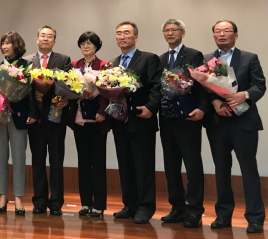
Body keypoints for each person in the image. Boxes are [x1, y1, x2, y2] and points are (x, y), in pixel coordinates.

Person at [205, 20, 265, 234]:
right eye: (217, 31)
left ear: (235, 35)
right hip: (218, 121)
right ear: (213, 35)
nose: (222, 34)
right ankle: (223, 215)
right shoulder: (207, 59)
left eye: (226, 30)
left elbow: (260, 85)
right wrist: (215, 102)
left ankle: (255, 218)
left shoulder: (249, 57)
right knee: (221, 170)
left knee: (248, 170)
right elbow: (203, 89)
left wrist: (244, 95)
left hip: (244, 121)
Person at [157, 19, 207, 228]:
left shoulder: (194, 55)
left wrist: (202, 108)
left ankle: (195, 210)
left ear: (182, 33)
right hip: (167, 119)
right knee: (171, 165)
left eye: (174, 30)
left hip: (189, 117)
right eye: (166, 30)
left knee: (192, 165)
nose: (170, 33)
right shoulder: (160, 59)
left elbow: (203, 83)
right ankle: (177, 207)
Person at [111, 21, 162, 224]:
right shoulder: (113, 63)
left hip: (142, 119)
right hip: (120, 121)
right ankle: (129, 204)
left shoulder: (148, 58)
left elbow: (157, 86)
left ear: (136, 37)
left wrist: (151, 107)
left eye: (126, 33)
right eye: (119, 33)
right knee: (125, 164)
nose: (122, 36)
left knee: (143, 165)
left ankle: (145, 207)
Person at [25, 25, 71, 216]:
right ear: (37, 39)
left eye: (49, 36)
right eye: (42, 35)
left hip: (56, 116)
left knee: (56, 160)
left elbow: (69, 84)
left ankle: (56, 202)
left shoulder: (63, 60)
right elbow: (24, 89)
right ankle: (39, 201)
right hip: (34, 117)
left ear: (54, 41)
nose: (45, 38)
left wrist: (66, 99)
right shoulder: (27, 61)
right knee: (37, 160)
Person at [0, 31, 36, 216]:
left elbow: (32, 92)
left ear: (17, 45)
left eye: (7, 43)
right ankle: (2, 196)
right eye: (2, 43)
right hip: (0, 116)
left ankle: (18, 197)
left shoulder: (27, 66)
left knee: (19, 157)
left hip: (19, 116)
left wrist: (33, 113)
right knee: (0, 156)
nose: (4, 46)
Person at [69, 31, 110, 218]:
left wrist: (102, 112)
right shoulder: (73, 65)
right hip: (79, 119)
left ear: (96, 46)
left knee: (98, 162)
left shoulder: (104, 66)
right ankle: (85, 202)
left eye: (89, 43)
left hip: (97, 119)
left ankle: (99, 204)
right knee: (83, 161)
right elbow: (68, 90)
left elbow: (108, 93)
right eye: (82, 43)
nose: (86, 46)